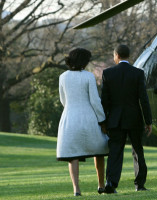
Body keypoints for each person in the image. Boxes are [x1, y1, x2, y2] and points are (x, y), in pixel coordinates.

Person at [56, 48, 109, 196]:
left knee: (72, 155)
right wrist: (102, 119)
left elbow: (63, 100)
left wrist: (71, 108)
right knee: (98, 150)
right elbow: (95, 100)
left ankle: (76, 189)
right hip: (89, 118)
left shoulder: (63, 77)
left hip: (69, 118)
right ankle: (101, 185)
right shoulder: (89, 77)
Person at [101, 44, 152, 193]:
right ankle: (140, 184)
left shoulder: (107, 73)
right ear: (128, 56)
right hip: (134, 118)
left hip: (115, 120)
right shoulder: (137, 73)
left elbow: (105, 101)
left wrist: (103, 122)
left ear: (116, 55)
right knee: (138, 151)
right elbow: (144, 99)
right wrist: (148, 121)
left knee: (115, 152)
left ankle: (111, 183)